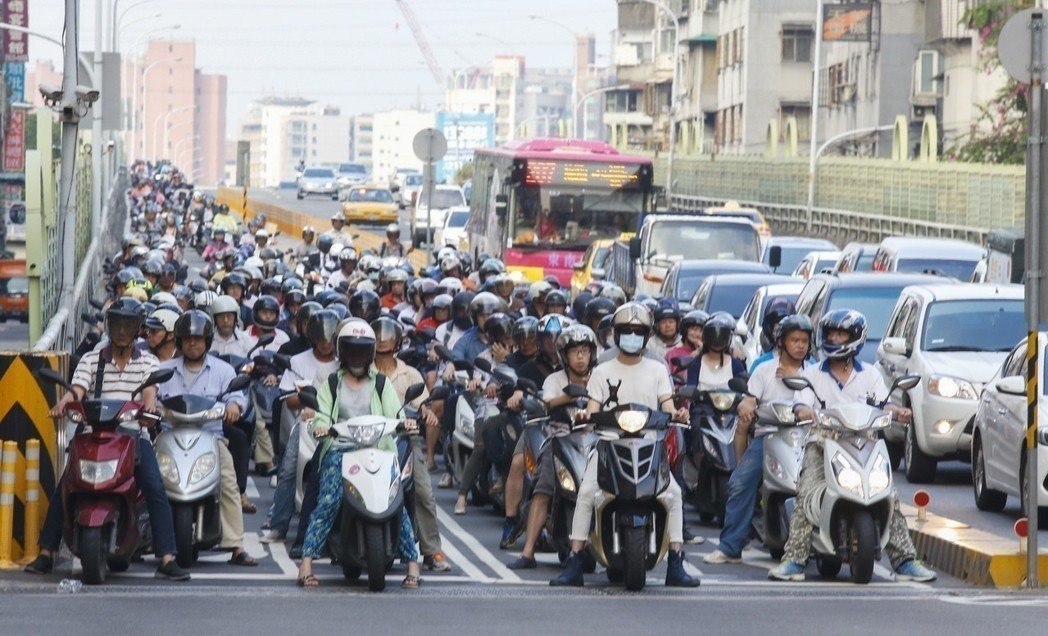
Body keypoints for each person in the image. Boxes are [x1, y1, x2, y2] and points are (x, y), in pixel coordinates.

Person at [24, 298, 191, 581]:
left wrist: (149, 408)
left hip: (132, 436)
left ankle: (166, 556)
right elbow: (77, 389)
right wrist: (65, 402)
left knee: (154, 486)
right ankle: (47, 552)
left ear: (138, 329)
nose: (122, 331)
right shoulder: (91, 358)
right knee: (65, 484)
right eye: (117, 324)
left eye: (128, 325)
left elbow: (149, 391)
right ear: (109, 326)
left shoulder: (148, 361)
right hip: (93, 434)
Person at [768, 309, 936, 583]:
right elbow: (801, 403)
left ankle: (905, 560)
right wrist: (802, 411)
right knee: (807, 493)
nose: (834, 338)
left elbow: (884, 404)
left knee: (888, 496)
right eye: (831, 333)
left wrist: (897, 412)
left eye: (841, 334)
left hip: (865, 443)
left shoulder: (870, 374)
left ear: (856, 337)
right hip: (823, 442)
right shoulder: (812, 373)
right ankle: (794, 560)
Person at [551, 302, 699, 588]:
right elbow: (592, 407)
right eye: (626, 331)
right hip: (608, 444)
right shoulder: (602, 371)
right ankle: (575, 560)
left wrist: (678, 413)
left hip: (649, 444)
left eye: (638, 331)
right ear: (616, 335)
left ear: (646, 336)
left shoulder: (657, 369)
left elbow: (667, 405)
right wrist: (584, 415)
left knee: (674, 495)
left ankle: (676, 562)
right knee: (587, 493)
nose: (632, 336)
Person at [296, 320, 423, 589]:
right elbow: (320, 414)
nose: (356, 356)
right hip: (341, 450)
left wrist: (405, 423)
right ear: (342, 352)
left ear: (370, 353)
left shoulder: (381, 383)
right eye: (351, 351)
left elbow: (395, 414)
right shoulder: (331, 383)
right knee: (329, 500)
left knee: (394, 499)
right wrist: (320, 427)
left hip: (378, 450)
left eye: (361, 351)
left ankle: (412, 564)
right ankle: (306, 562)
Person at [704, 314, 812, 565]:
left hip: (808, 438)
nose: (800, 345)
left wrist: (795, 375)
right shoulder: (764, 370)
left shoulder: (815, 372)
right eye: (794, 340)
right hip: (770, 436)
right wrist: (746, 406)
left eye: (804, 341)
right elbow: (750, 398)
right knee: (741, 482)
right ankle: (731, 546)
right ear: (781, 342)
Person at [156, 311, 259, 567]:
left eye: (198, 339)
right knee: (149, 480)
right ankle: (142, 537)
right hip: (170, 436)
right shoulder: (163, 370)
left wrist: (234, 407)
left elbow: (236, 397)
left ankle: (236, 546)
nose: (193, 344)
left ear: (207, 341)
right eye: (188, 339)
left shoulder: (223, 370)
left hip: (210, 437)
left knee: (229, 481)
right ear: (179, 341)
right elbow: (150, 396)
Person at [508, 324, 597, 569]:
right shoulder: (555, 379)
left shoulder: (601, 378)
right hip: (560, 442)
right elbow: (546, 402)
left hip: (595, 443)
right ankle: (527, 553)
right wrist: (571, 395)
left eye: (584, 351)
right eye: (575, 352)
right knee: (542, 490)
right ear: (564, 356)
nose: (580, 357)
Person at [370, 317, 453, 572]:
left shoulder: (410, 373)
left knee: (424, 492)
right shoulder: (363, 371)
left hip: (406, 440)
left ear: (397, 341)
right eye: (378, 335)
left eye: (388, 335)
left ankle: (431, 550)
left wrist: (427, 412)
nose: (383, 339)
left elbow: (423, 405)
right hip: (370, 440)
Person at [261, 309, 341, 544]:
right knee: (287, 469)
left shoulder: (343, 360)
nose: (326, 345)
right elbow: (288, 400)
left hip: (338, 424)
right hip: (305, 424)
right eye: (321, 339)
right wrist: (305, 399)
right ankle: (278, 525)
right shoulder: (298, 361)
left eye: (330, 340)